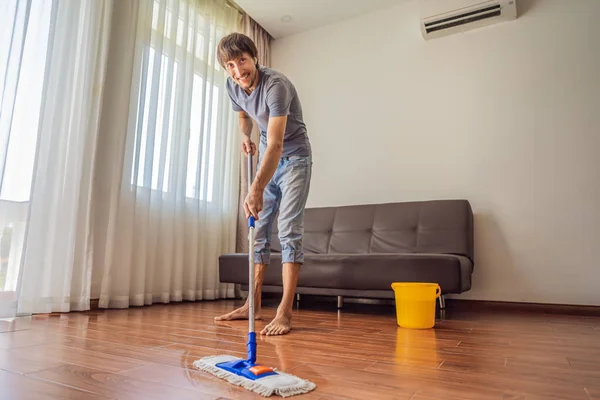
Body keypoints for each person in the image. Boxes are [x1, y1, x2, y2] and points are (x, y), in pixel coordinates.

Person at [214, 33, 312, 336]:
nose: (237, 70)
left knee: (288, 230)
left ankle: (284, 311)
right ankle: (252, 305)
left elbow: (277, 144)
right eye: (230, 64)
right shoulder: (233, 85)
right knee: (257, 231)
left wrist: (255, 188)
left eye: (241, 60)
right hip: (268, 154)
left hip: (293, 157)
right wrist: (246, 136)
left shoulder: (276, 86)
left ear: (254, 58)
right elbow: (243, 115)